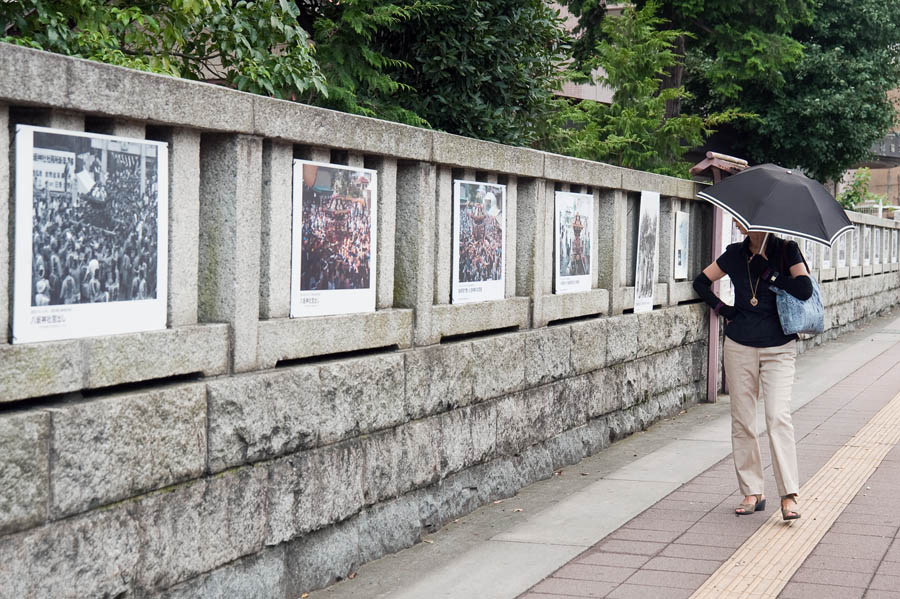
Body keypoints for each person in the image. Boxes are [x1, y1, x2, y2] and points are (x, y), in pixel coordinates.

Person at [693, 224, 813, 521]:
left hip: (779, 348)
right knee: (742, 419)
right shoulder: (734, 254)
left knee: (777, 417)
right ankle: (752, 491)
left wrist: (770, 274)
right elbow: (700, 282)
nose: (744, 224)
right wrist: (724, 309)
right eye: (740, 220)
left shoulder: (786, 249)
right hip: (739, 346)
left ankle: (789, 495)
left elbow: (804, 289)